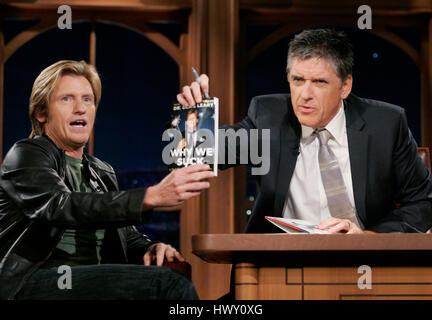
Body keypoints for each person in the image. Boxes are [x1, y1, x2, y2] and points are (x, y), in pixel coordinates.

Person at [177, 28, 432, 235]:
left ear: (345, 87)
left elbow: (423, 202)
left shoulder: (385, 124)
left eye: (319, 82)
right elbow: (201, 155)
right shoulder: (269, 117)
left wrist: (368, 238)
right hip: (282, 266)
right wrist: (197, 119)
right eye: (298, 80)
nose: (305, 95)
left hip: (364, 265)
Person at [0, 60, 214, 300]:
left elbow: (126, 236)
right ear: (41, 112)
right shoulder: (26, 154)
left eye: (87, 99)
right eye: (67, 99)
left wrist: (151, 248)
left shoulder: (101, 171)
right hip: (35, 282)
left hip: (91, 281)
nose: (80, 108)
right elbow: (60, 206)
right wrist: (150, 195)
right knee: (168, 286)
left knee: (176, 275)